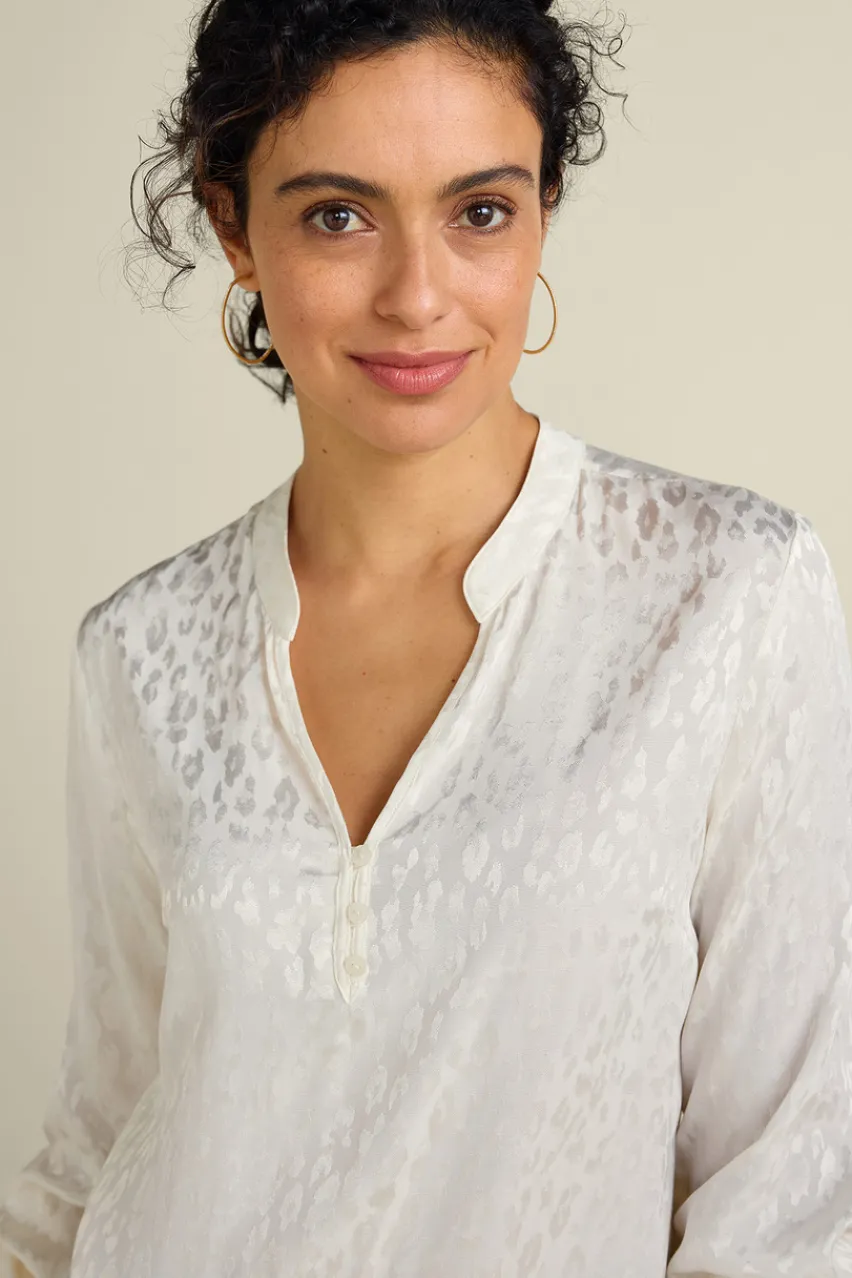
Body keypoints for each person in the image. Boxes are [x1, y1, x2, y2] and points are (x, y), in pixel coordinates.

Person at [3, 0, 852, 1274]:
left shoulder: (725, 596)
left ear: (543, 211)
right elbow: (101, 1133)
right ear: (234, 226)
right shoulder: (140, 651)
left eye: (480, 212)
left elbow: (792, 1191)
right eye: (337, 217)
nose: (416, 296)